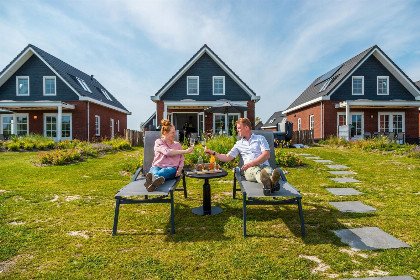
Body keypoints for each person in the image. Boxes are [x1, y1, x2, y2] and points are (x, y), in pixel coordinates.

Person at [204, 118, 281, 195]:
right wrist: (213, 153)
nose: (237, 130)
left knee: (269, 171)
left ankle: (269, 184)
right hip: (250, 169)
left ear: (246, 127)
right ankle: (272, 184)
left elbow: (266, 155)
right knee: (258, 172)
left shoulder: (260, 138)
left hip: (264, 166)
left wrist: (250, 163)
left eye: (239, 128)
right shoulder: (239, 144)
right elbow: (227, 157)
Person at [145, 119, 194, 192]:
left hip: (171, 169)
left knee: (164, 172)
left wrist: (179, 170)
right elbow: (167, 152)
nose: (175, 135)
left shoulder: (177, 145)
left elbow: (181, 159)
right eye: (172, 133)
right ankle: (154, 183)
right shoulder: (159, 142)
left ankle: (150, 182)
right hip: (157, 166)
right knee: (153, 171)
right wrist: (185, 151)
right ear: (165, 133)